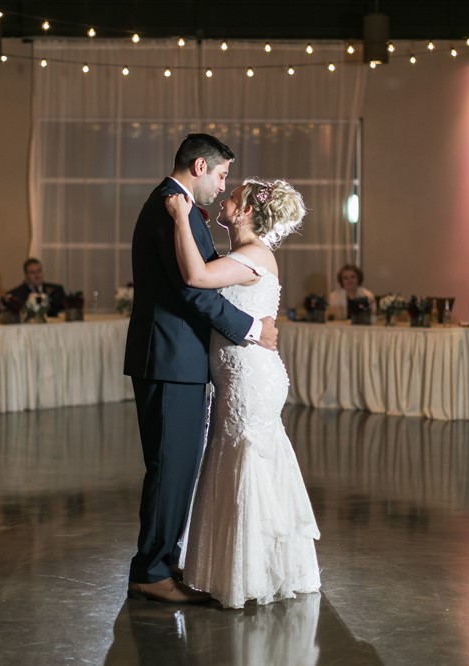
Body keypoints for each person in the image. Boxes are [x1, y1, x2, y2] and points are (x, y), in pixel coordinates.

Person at [122, 133, 279, 605]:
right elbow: (195, 290)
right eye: (222, 174)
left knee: (176, 466)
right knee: (171, 467)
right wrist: (251, 327)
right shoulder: (175, 208)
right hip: (170, 357)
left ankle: (163, 559)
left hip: (177, 358)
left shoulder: (177, 207)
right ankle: (151, 570)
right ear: (198, 167)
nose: (222, 184)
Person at [165, 176, 320, 609]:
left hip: (251, 379)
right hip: (241, 376)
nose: (225, 197)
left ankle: (248, 575)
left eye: (232, 196)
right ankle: (240, 567)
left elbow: (195, 276)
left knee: (246, 462)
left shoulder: (253, 256)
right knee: (236, 460)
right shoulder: (241, 255)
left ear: (247, 210)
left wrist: (180, 217)